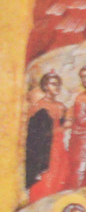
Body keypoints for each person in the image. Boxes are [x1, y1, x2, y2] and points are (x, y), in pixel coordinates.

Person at [23, 73, 70, 203]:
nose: (57, 87)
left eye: (58, 84)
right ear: (45, 86)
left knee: (61, 176)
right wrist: (61, 129)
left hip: (60, 148)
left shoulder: (61, 106)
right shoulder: (39, 106)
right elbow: (36, 133)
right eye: (53, 84)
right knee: (46, 178)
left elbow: (64, 123)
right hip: (46, 150)